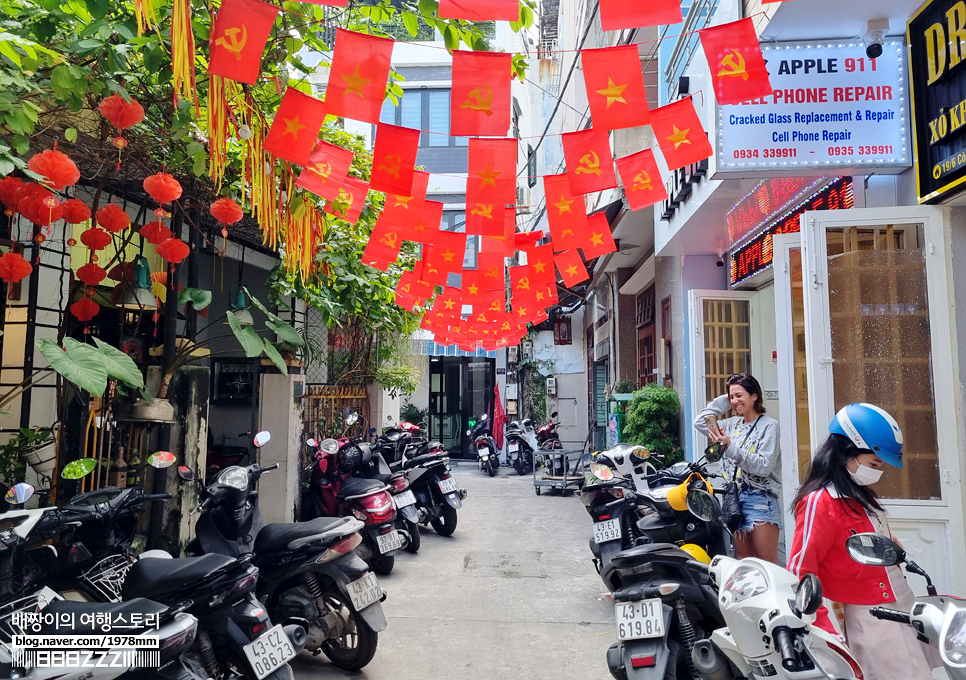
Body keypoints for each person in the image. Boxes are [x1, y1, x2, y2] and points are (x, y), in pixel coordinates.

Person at [787, 403, 938, 680]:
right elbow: (800, 573)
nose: (878, 472)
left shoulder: (862, 497)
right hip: (869, 617)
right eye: (874, 464)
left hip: (902, 605)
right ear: (848, 452)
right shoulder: (819, 503)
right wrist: (826, 632)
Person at [693, 373, 780, 562]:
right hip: (734, 499)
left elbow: (764, 466)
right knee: (743, 561)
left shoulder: (769, 426)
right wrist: (726, 399)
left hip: (760, 498)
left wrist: (730, 447)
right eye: (732, 397)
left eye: (739, 395)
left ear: (754, 395)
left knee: (767, 564)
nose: (734, 401)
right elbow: (700, 421)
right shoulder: (731, 424)